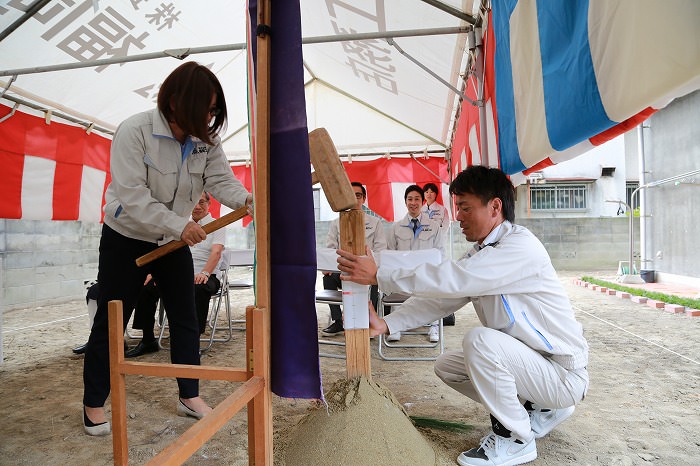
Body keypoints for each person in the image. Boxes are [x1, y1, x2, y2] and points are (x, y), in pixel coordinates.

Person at [336, 166, 589, 466]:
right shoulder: (484, 251)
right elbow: (444, 297)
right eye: (457, 208)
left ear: (495, 207)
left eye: (466, 208)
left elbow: (453, 278)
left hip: (561, 373)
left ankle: (516, 439)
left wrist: (381, 274)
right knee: (449, 366)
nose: (458, 217)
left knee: (480, 342)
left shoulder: (519, 247)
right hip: (536, 368)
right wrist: (388, 322)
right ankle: (541, 408)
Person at [82, 62, 252, 436]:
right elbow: (132, 195)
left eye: (213, 111)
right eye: (204, 109)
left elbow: (221, 179)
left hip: (172, 241)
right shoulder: (135, 131)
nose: (209, 118)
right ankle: (94, 402)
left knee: (185, 316)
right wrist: (181, 224)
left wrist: (248, 201)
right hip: (125, 236)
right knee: (113, 319)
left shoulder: (205, 140)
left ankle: (188, 394)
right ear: (175, 103)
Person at [125, 191, 227, 357]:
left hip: (205, 274)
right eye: (194, 202)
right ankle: (148, 339)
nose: (198, 206)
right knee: (147, 287)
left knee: (198, 289)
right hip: (179, 273)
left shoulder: (217, 225)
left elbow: (216, 253)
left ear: (209, 204)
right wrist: (156, 273)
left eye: (202, 202)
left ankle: (192, 342)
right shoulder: (180, 225)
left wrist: (205, 273)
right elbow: (165, 250)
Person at [321, 182, 387, 336]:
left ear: (363, 199)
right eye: (350, 195)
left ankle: (369, 323)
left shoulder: (375, 223)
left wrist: (369, 265)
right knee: (328, 278)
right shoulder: (336, 223)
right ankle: (338, 321)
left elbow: (380, 250)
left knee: (375, 278)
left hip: (366, 270)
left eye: (358, 195)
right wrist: (329, 267)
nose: (354, 199)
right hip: (343, 270)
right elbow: (330, 249)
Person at [385, 184, 444, 342]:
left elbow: (440, 252)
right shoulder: (396, 227)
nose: (413, 202)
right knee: (395, 288)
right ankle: (395, 326)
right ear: (405, 202)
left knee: (435, 292)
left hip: (426, 275)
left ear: (422, 201)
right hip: (403, 276)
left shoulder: (433, 226)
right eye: (409, 199)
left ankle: (434, 326)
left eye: (417, 199)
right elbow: (389, 253)